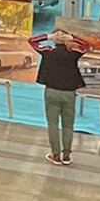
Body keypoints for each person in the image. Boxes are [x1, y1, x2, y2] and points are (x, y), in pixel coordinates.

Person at [38, 30, 86, 166]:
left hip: (51, 91)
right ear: (66, 41)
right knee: (68, 125)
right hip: (69, 93)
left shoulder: (47, 51)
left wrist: (48, 36)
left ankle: (55, 155)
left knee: (53, 124)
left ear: (54, 40)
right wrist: (73, 37)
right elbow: (87, 45)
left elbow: (31, 41)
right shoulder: (74, 54)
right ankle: (66, 155)